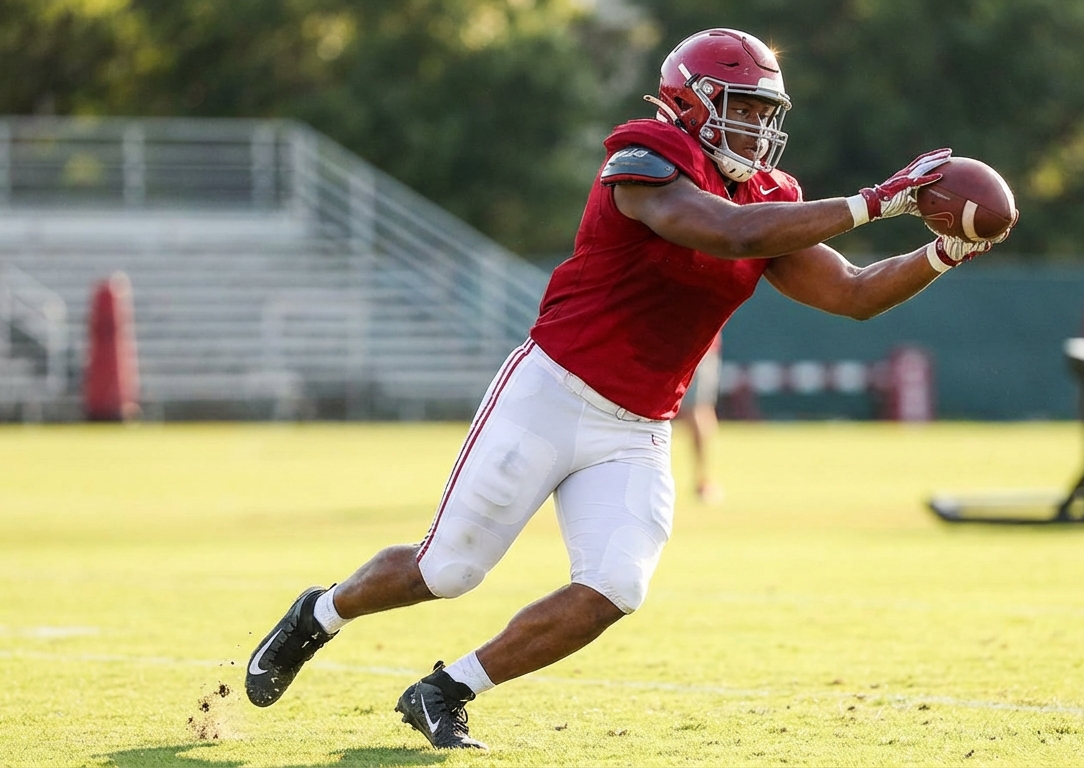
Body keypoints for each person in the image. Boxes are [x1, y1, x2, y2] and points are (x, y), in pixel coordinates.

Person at [243, 27, 1013, 750]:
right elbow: (724, 232)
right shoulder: (645, 156)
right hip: (552, 389)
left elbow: (852, 293)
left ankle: (447, 690)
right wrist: (878, 201)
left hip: (639, 425)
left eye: (762, 112)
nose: (754, 127)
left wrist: (944, 250)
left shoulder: (773, 196)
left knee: (615, 585)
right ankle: (319, 612)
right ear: (688, 102)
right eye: (738, 108)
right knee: (446, 570)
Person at [678, 331, 724, 503]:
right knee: (698, 411)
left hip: (697, 343)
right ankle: (704, 480)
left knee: (698, 410)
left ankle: (704, 480)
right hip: (671, 343)